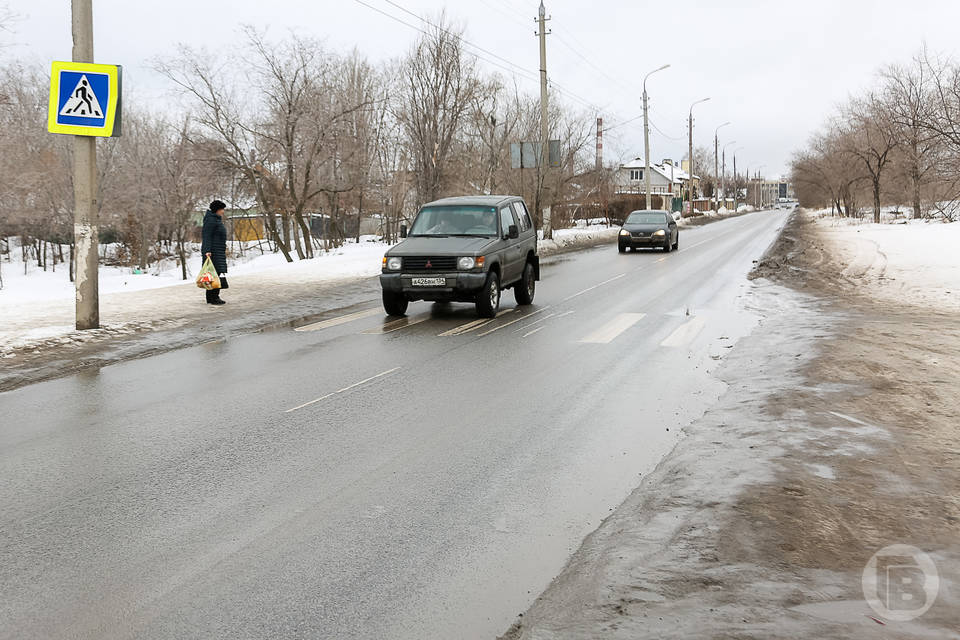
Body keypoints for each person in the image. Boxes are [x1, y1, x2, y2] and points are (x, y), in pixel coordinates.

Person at [201, 200, 229, 305]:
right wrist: (207, 250)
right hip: (213, 252)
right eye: (222, 209)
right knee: (213, 275)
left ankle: (213, 297)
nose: (223, 211)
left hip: (218, 251)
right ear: (217, 209)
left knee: (215, 274)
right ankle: (213, 298)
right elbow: (206, 236)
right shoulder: (211, 220)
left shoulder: (216, 219)